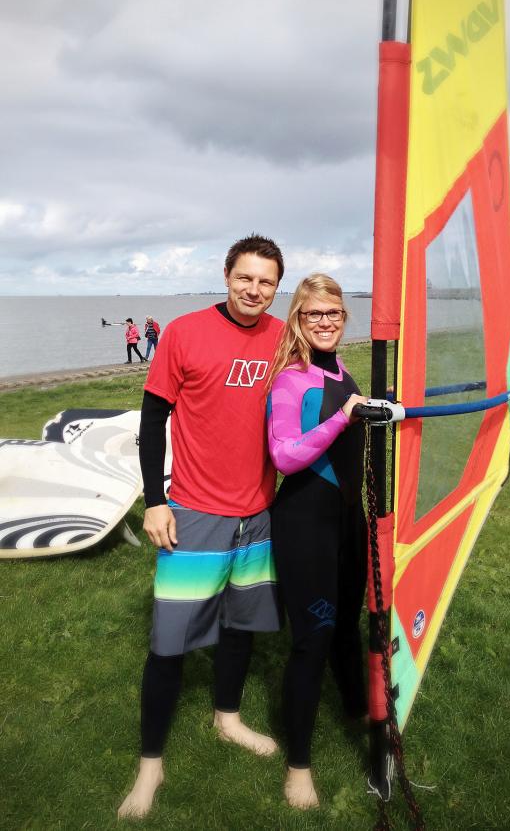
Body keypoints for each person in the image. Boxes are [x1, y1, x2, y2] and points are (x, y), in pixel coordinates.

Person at [118, 235, 285, 819]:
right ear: (227, 275)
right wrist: (154, 500)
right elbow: (152, 419)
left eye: (266, 282)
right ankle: (151, 765)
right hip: (194, 511)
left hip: (258, 513)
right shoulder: (185, 332)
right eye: (245, 278)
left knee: (240, 627)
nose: (254, 290)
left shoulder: (283, 336)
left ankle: (227, 718)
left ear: (276, 287)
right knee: (170, 644)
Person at [266, 273, 369, 810]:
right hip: (305, 522)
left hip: (350, 520)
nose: (325, 322)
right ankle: (298, 767)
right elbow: (284, 456)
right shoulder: (291, 380)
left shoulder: (344, 373)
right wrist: (344, 418)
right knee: (313, 639)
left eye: (333, 313)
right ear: (299, 320)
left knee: (348, 626)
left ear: (343, 318)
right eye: (314, 313)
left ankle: (359, 715)